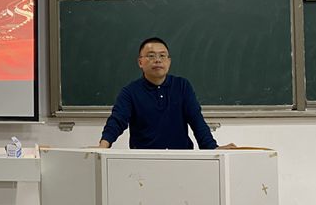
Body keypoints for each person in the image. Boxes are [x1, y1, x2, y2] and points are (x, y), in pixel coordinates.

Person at [99, 37, 234, 150]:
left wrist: (213, 148)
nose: (157, 60)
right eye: (151, 56)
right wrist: (103, 146)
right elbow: (117, 121)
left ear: (169, 61)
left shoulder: (182, 86)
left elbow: (196, 120)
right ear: (140, 62)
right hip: (144, 160)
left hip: (180, 158)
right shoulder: (130, 92)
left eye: (162, 56)